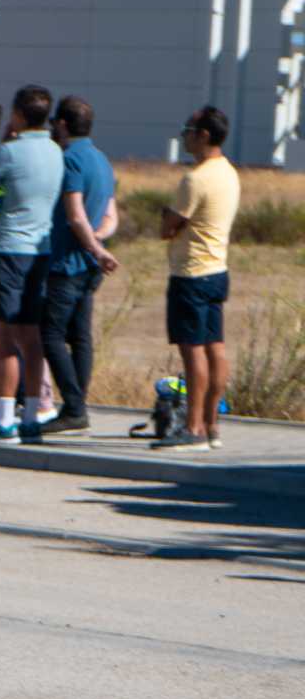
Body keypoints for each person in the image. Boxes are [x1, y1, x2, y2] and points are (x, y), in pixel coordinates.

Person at [0, 84, 64, 445]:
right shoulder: (55, 151)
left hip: (5, 248)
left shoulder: (8, 152)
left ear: (18, 114)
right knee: (31, 338)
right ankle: (33, 414)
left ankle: (4, 418)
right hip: (40, 249)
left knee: (3, 339)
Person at [157, 106, 240, 451]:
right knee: (215, 348)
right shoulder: (229, 172)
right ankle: (212, 425)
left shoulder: (196, 178)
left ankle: (192, 428)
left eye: (188, 129)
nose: (184, 135)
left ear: (203, 135)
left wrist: (166, 218)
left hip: (190, 273)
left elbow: (168, 227)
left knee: (193, 354)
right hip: (217, 270)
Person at [38, 95, 120, 435]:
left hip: (68, 262)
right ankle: (78, 403)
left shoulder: (69, 160)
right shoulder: (101, 160)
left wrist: (92, 247)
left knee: (52, 334)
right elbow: (110, 216)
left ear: (63, 124)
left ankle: (73, 407)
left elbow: (74, 214)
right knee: (80, 336)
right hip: (88, 265)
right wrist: (98, 242)